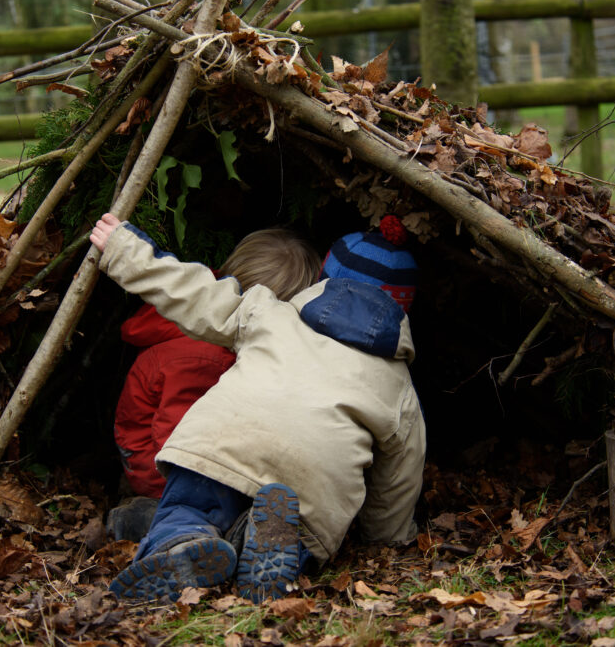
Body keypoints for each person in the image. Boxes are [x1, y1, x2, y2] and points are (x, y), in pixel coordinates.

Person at [90, 212, 425, 604]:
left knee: (188, 506)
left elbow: (193, 293)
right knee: (298, 531)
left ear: (323, 280)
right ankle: (259, 537)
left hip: (219, 447)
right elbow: (399, 478)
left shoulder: (267, 312)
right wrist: (388, 539)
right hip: (312, 485)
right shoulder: (399, 387)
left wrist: (124, 249)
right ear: (403, 309)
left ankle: (176, 541)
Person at [106, 229, 321, 541]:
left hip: (164, 453)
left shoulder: (198, 324)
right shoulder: (204, 358)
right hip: (163, 470)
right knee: (218, 510)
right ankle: (185, 529)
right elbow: (181, 441)